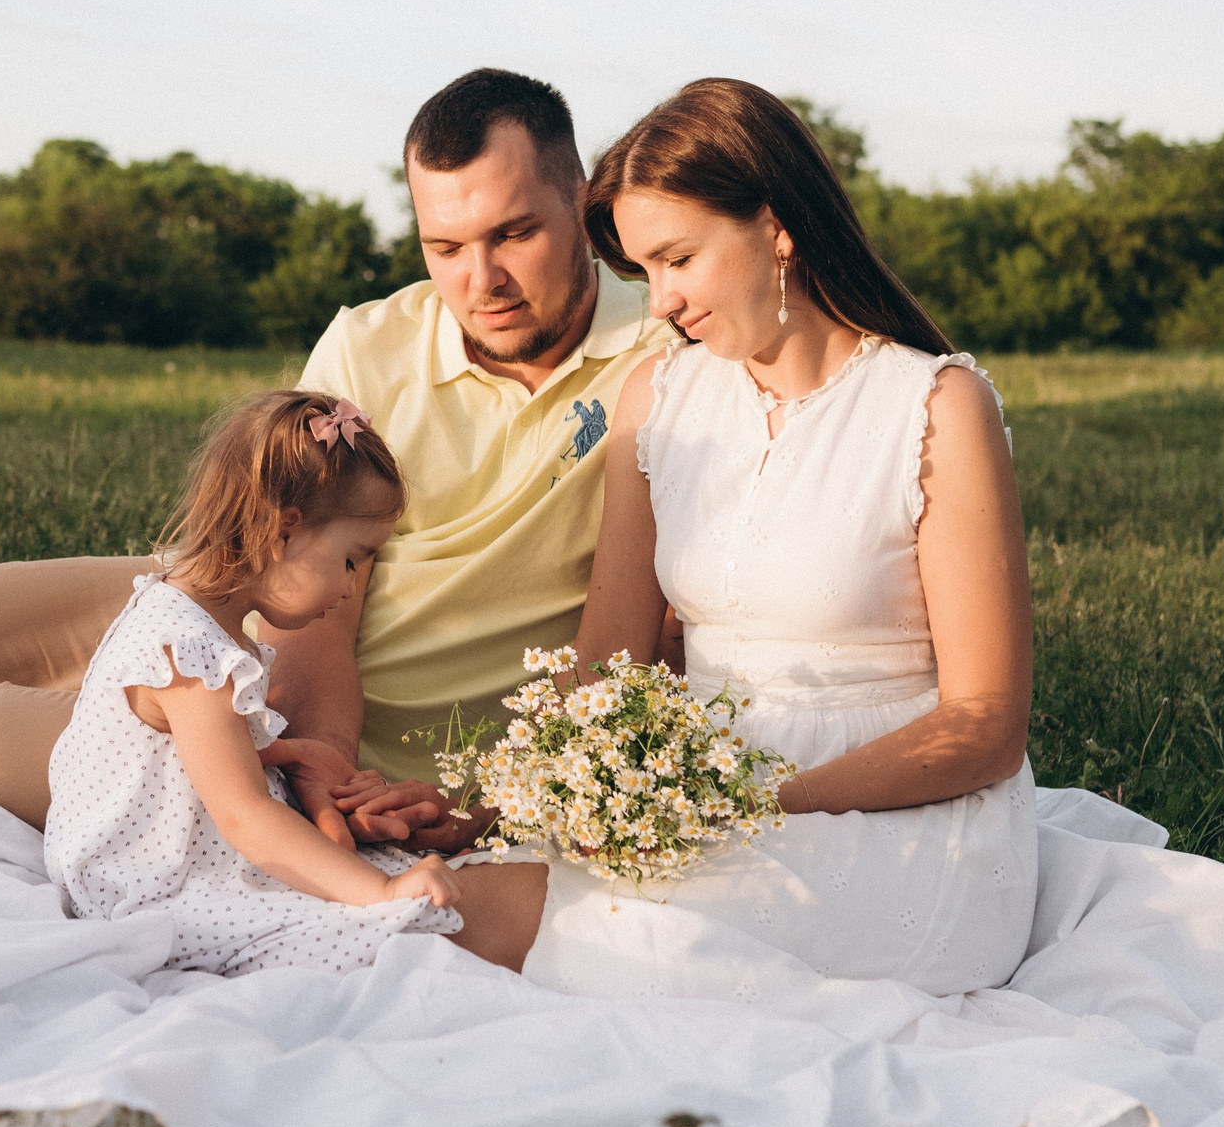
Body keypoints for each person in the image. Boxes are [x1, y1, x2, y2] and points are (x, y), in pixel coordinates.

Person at [0, 70, 671, 855]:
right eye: (445, 246)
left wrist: (316, 776)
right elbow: (308, 605)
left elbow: (627, 648)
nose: (481, 281)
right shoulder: (370, 342)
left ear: (580, 203)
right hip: (234, 610)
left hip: (297, 736)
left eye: (514, 234)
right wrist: (318, 748)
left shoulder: (666, 364)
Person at [424, 77, 1044, 994]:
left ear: (775, 224)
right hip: (690, 793)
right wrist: (505, 804)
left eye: (679, 258)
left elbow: (985, 725)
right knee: (440, 904)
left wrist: (757, 803)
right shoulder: (660, 400)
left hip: (897, 820)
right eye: (644, 271)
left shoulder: (935, 406)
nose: (661, 301)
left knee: (518, 934)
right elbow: (606, 668)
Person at [47, 389, 494, 973]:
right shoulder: (190, 653)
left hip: (190, 850)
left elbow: (198, 755)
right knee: (380, 929)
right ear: (283, 534)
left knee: (387, 889)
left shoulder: (195, 617)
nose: (350, 587)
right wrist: (378, 894)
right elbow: (244, 816)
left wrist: (293, 752)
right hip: (147, 882)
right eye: (353, 560)